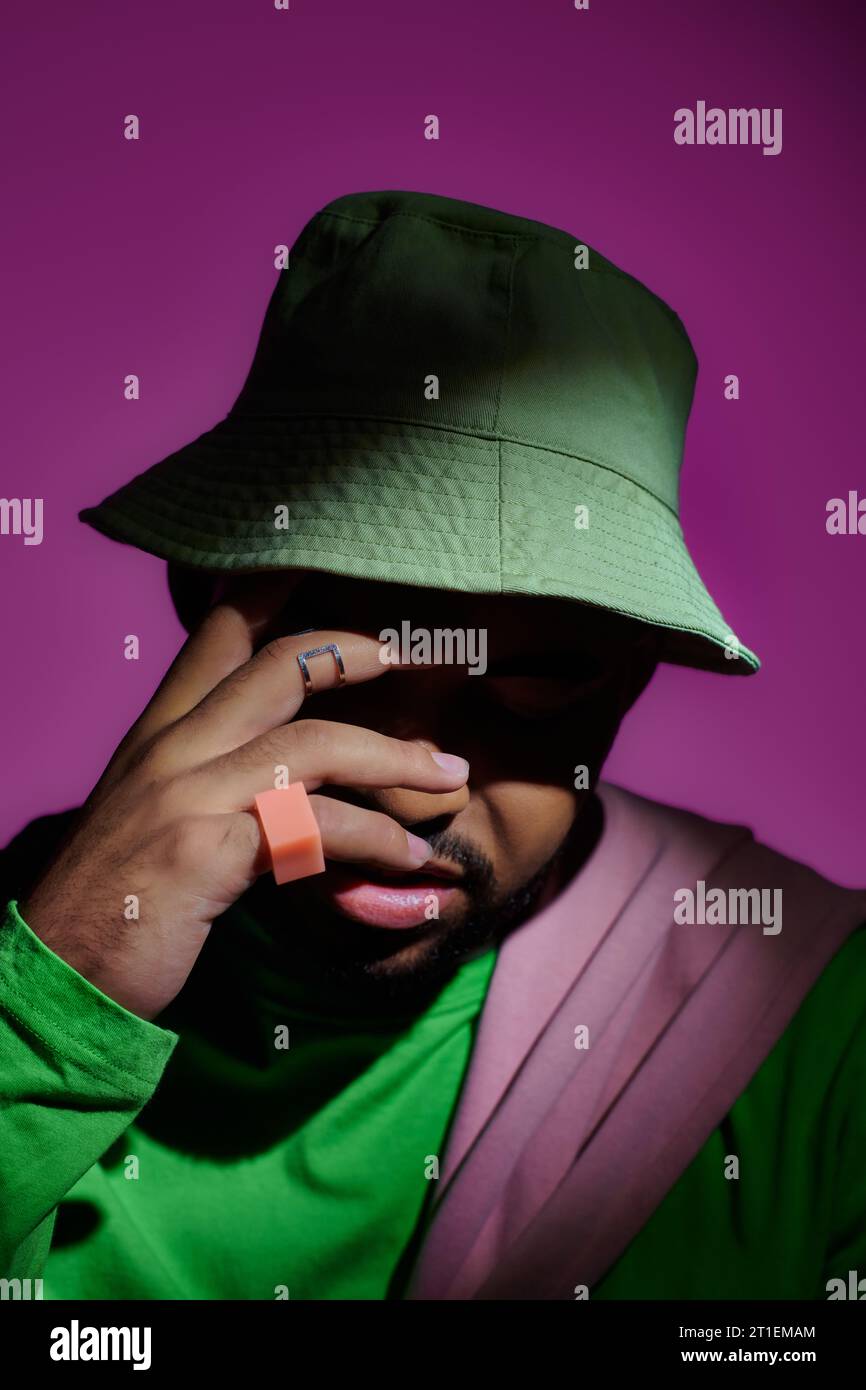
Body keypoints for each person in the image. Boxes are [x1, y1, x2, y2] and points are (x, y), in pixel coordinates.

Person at [2, 189, 864, 1302]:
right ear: (204, 595)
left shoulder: (819, 1032)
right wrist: (58, 993)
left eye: (538, 677)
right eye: (335, 650)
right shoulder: (32, 960)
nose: (412, 777)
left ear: (633, 676)